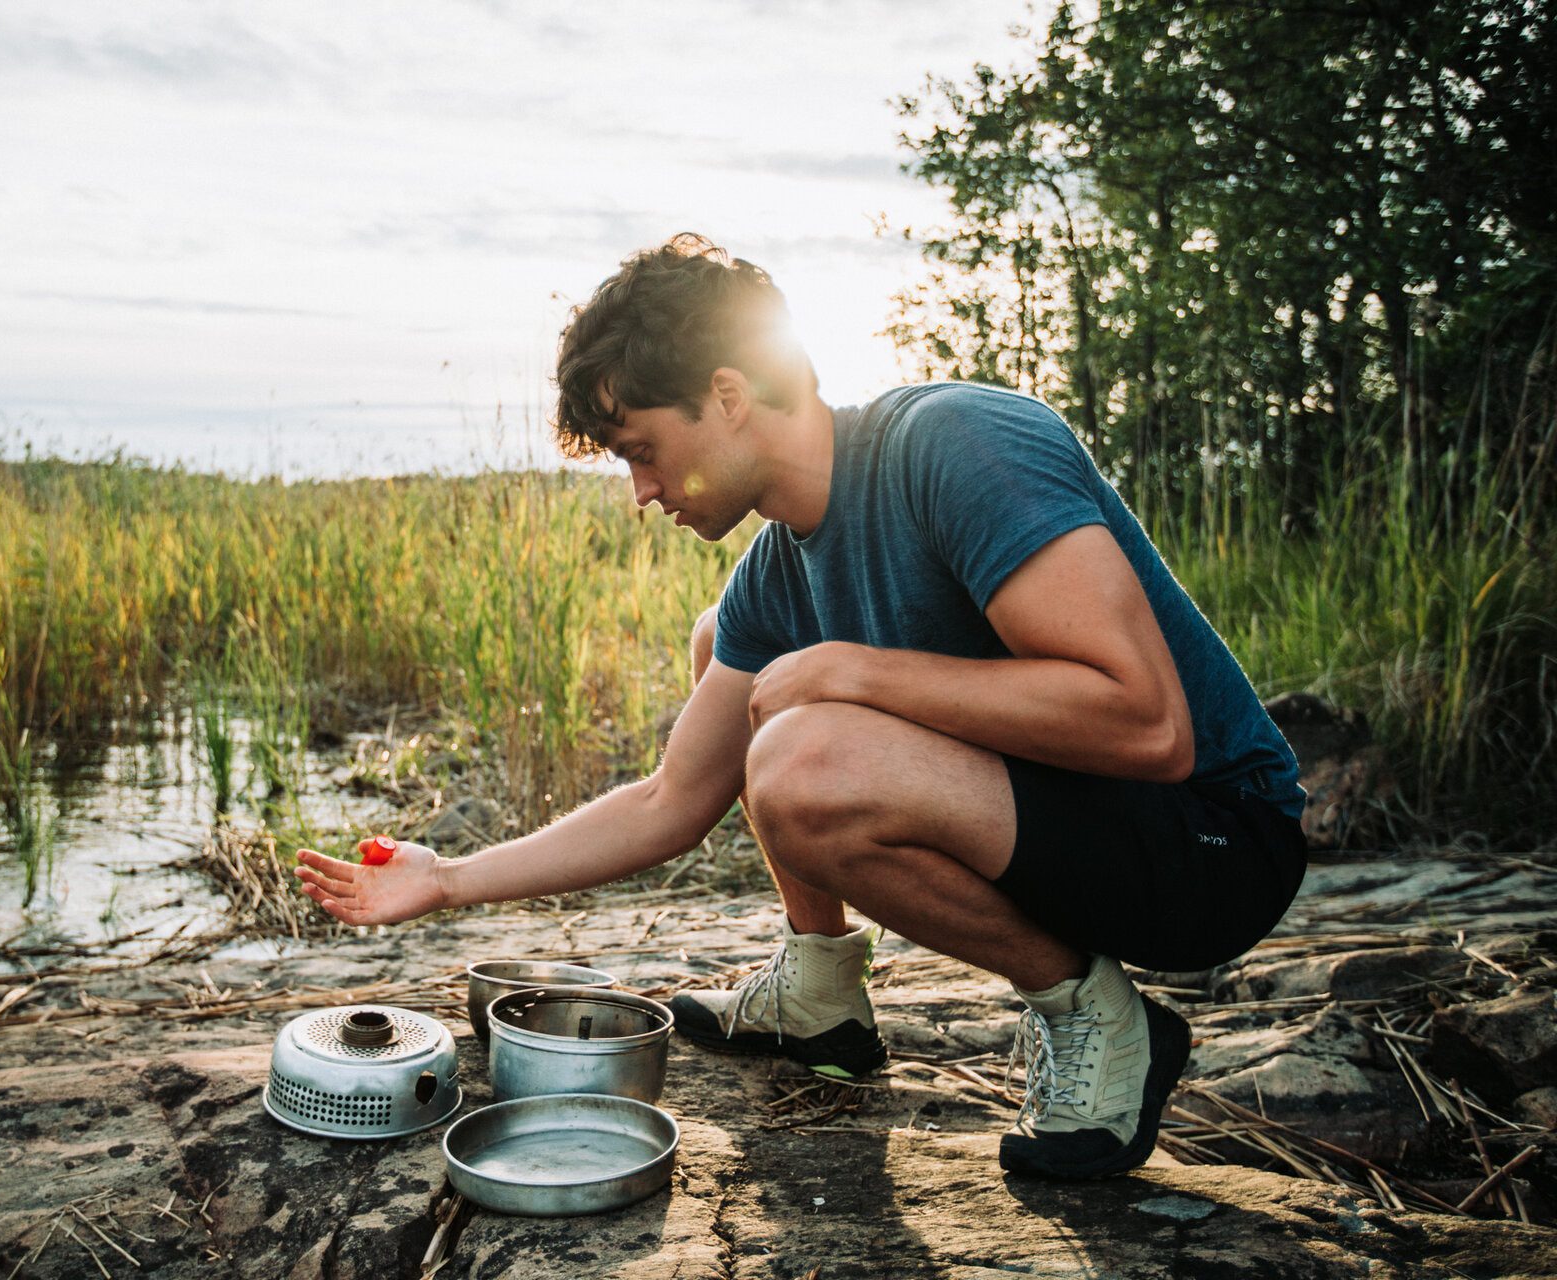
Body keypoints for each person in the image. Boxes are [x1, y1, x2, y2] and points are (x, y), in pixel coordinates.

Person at [295, 233, 1307, 1180]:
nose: (642, 491)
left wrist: (856, 672)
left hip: (1213, 851)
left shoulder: (956, 444)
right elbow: (669, 800)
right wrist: (450, 878)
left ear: (728, 394)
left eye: (644, 449)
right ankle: (823, 990)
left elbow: (1149, 725)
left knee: (800, 750)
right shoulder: (778, 568)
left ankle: (1091, 1010)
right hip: (1068, 834)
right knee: (727, 655)